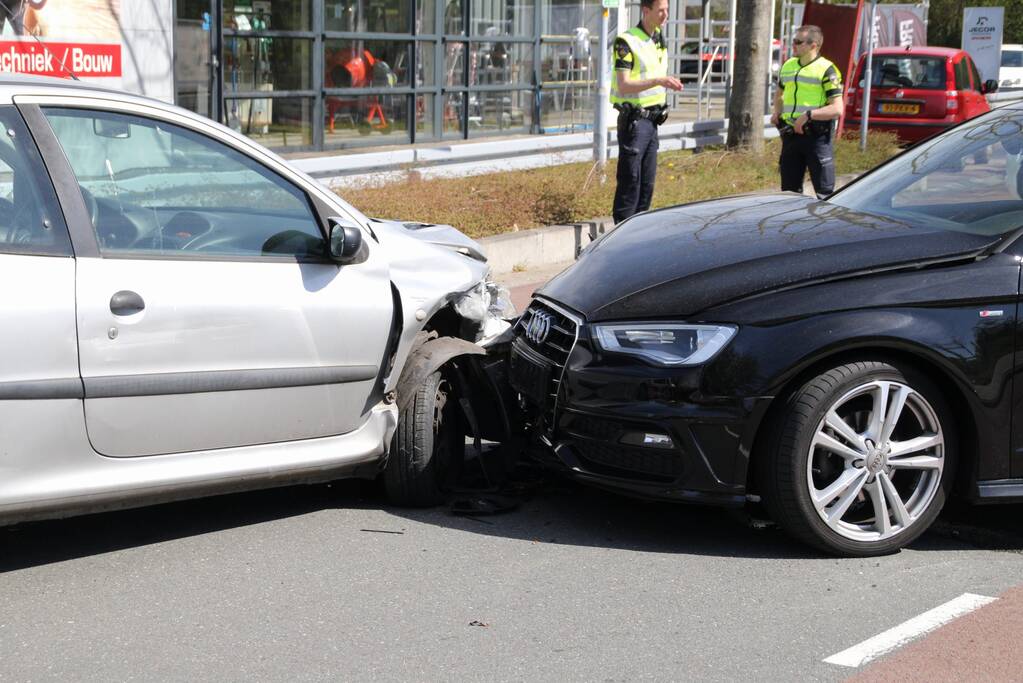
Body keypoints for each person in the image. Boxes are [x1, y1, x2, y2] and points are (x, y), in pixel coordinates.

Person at [610, 0, 682, 224]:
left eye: (667, 10)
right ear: (646, 10)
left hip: (652, 122)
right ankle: (621, 234)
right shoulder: (626, 41)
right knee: (630, 180)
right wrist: (659, 80)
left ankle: (638, 233)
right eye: (660, 10)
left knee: (647, 184)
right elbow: (624, 85)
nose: (665, 15)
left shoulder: (658, 38)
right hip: (635, 121)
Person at [771, 25, 844, 199]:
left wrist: (808, 115)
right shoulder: (788, 65)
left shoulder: (827, 69)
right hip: (790, 137)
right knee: (789, 194)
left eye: (798, 42)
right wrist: (777, 113)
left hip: (816, 137)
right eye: (793, 41)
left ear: (814, 45)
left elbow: (837, 109)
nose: (793, 45)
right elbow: (780, 94)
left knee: (824, 194)